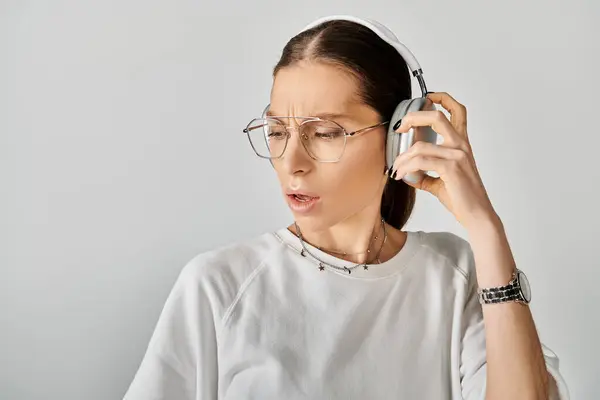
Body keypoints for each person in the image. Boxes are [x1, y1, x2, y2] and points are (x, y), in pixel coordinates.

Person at [123, 15, 569, 399]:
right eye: (277, 131)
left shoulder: (455, 275)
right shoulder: (218, 287)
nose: (292, 163)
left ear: (402, 136)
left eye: (325, 132)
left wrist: (486, 228)